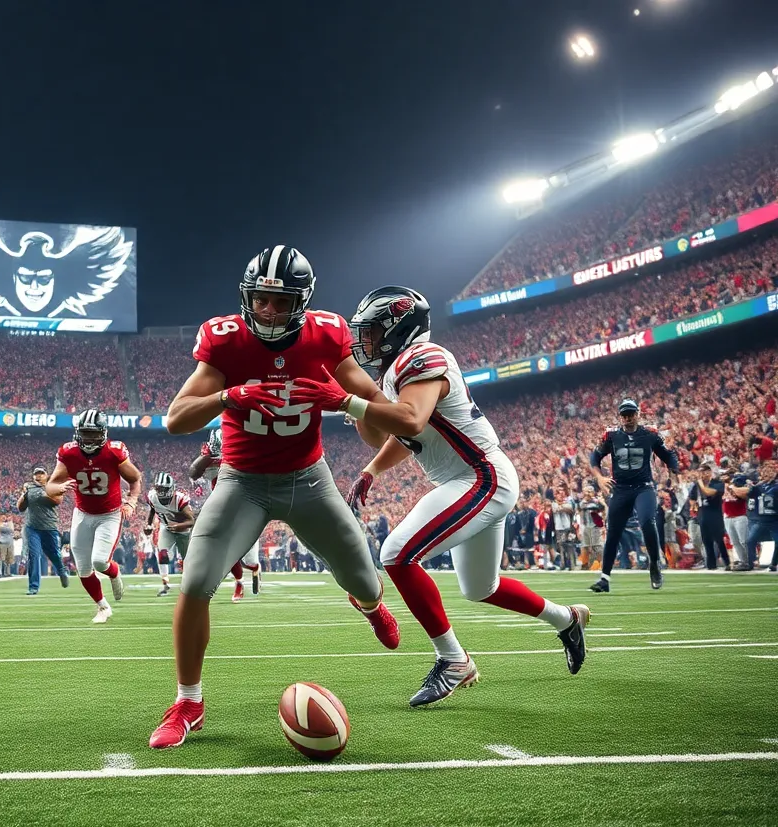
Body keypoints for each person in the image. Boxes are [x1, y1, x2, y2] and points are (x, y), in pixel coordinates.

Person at [149, 247, 398, 750]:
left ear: (300, 303)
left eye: (277, 302)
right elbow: (176, 419)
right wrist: (227, 397)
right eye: (259, 299)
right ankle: (188, 702)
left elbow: (378, 418)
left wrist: (348, 403)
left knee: (365, 579)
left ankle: (369, 604)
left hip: (310, 480)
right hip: (242, 482)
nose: (266, 311)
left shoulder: (327, 335)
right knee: (196, 581)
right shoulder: (227, 340)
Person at [331, 285, 588, 707]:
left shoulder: (422, 357)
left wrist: (351, 401)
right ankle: (567, 619)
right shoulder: (397, 370)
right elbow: (398, 434)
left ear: (399, 326)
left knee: (396, 554)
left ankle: (453, 660)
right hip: (465, 479)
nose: (367, 341)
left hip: (480, 476)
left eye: (374, 331)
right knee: (480, 587)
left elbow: (411, 421)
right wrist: (372, 466)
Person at [45, 408, 143, 623]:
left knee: (100, 561)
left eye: (93, 433)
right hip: (82, 513)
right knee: (82, 567)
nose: (89, 439)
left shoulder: (114, 452)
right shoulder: (69, 453)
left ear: (103, 433)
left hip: (109, 514)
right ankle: (103, 607)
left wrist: (131, 501)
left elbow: (135, 479)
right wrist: (58, 488)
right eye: (85, 433)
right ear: (78, 433)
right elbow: (50, 485)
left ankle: (115, 573)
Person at [589, 399, 681, 592]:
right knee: (613, 530)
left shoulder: (649, 434)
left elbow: (668, 455)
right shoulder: (612, 436)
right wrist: (599, 478)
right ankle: (604, 578)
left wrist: (674, 469)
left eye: (631, 414)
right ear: (620, 416)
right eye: (624, 415)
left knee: (648, 522)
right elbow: (594, 457)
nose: (628, 418)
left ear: (638, 414)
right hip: (621, 488)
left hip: (643, 487)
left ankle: (654, 565)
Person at [188, 428, 262, 600]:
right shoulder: (210, 455)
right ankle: (239, 583)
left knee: (249, 560)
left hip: (248, 506)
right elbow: (193, 473)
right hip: (224, 507)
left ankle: (255, 568)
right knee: (226, 549)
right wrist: (208, 456)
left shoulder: (246, 452)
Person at [17, 465, 70, 595]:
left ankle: (62, 571)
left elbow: (57, 501)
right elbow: (20, 507)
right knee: (34, 555)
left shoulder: (53, 486)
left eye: (41, 473)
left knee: (54, 554)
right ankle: (33, 587)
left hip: (49, 527)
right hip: (32, 527)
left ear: (47, 475)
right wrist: (24, 495)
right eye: (36, 474)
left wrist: (44, 495)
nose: (39, 476)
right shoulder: (28, 487)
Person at [143, 472, 195, 598]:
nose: (161, 492)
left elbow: (191, 521)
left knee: (187, 560)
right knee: (162, 555)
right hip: (167, 528)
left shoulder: (180, 499)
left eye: (163, 489)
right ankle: (165, 585)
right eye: (158, 489)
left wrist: (178, 526)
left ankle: (191, 585)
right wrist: (148, 524)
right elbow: (152, 510)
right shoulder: (152, 497)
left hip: (183, 532)